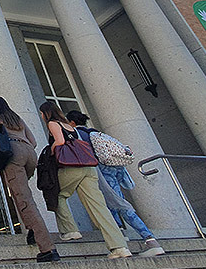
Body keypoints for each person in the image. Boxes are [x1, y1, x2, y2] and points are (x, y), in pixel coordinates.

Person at [38, 102, 132, 258]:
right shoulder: (69, 125)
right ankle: (119, 246)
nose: (41, 116)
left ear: (46, 113)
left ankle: (70, 230)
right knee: (99, 207)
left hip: (72, 168)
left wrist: (51, 150)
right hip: (88, 168)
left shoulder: (53, 123)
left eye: (41, 113)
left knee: (57, 194)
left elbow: (60, 142)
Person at [66, 110, 165, 257]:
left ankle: (150, 240)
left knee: (119, 204)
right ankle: (119, 233)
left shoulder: (80, 135)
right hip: (113, 170)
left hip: (100, 171)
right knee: (111, 202)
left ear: (72, 123)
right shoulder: (96, 134)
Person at [0, 96, 58, 262]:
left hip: (12, 155)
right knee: (19, 194)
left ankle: (48, 248)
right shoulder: (16, 117)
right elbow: (34, 141)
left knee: (25, 200)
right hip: (30, 155)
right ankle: (31, 229)